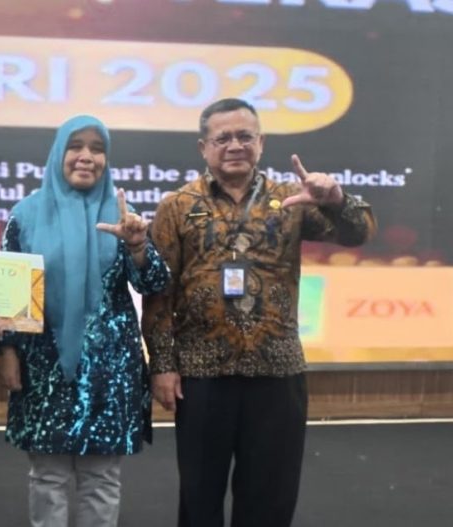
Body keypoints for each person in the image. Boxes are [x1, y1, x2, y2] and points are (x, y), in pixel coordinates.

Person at [141, 98, 377, 527]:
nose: (235, 145)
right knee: (199, 497)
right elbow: (160, 293)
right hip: (201, 374)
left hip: (277, 371)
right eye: (223, 138)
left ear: (261, 143)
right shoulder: (177, 205)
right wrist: (162, 365)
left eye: (244, 136)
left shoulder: (292, 199)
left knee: (271, 498)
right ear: (204, 147)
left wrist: (336, 198)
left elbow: (358, 234)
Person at [0, 115, 170, 527]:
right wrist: (6, 350)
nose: (86, 156)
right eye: (76, 146)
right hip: (44, 365)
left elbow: (153, 284)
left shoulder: (124, 217)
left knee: (101, 479)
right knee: (47, 478)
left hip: (110, 369)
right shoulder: (26, 215)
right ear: (59, 153)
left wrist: (138, 246)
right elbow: (9, 293)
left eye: (97, 148)